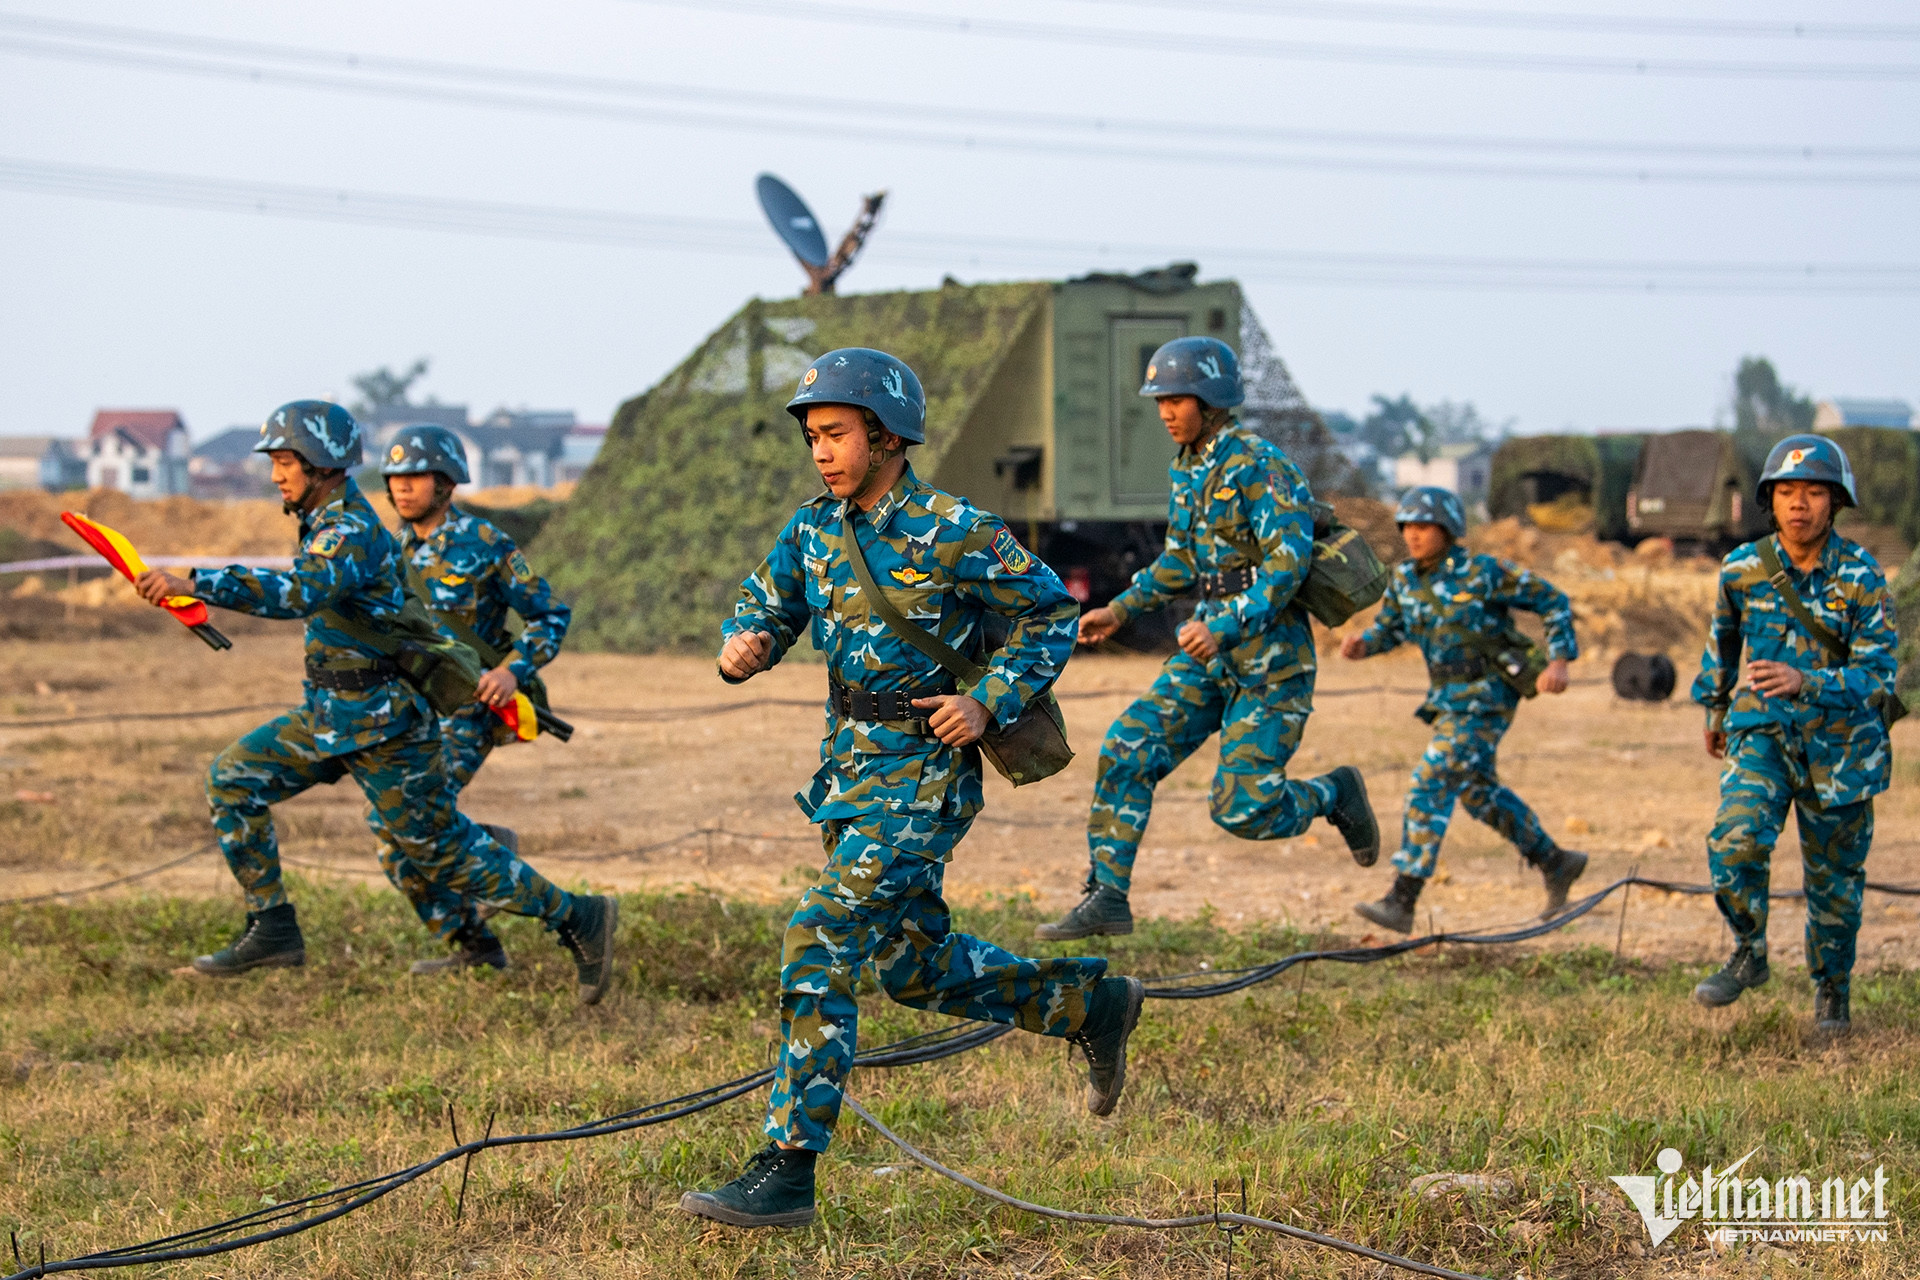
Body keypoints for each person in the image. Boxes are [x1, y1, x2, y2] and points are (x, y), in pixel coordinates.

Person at [677, 349, 1143, 1229]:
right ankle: (1089, 1004)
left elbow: (1048, 613)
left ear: (886, 435)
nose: (821, 453)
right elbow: (767, 607)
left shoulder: (954, 527)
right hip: (846, 777)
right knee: (916, 969)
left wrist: (987, 699)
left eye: (836, 435)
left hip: (922, 780)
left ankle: (787, 1169)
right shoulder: (814, 530)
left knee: (818, 935)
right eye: (813, 437)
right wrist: (742, 645)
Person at [132, 401, 618, 1002]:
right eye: (275, 462)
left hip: (387, 723)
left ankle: (576, 915)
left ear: (324, 465)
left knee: (432, 851)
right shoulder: (339, 527)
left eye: (287, 461)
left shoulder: (352, 531)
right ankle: (274, 928)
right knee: (233, 780)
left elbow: (299, 592)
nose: (277, 474)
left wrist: (196, 582)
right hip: (333, 716)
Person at [1034, 336, 1378, 944]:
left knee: (1242, 808)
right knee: (1127, 749)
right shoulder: (1190, 468)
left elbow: (1287, 564)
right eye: (1160, 400)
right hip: (1207, 658)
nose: (1164, 411)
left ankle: (1334, 793)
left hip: (1270, 663)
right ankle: (1107, 897)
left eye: (1176, 398)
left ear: (1212, 399)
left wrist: (1221, 626)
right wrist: (1118, 609)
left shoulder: (1259, 465)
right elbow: (1180, 561)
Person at [1690, 434, 1896, 1037]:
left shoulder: (1861, 576)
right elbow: (1722, 641)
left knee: (1834, 884)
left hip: (1843, 748)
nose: (1798, 504)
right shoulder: (1743, 569)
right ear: (1769, 501)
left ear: (1835, 503)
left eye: (1812, 492)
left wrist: (1806, 680)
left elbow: (1880, 674)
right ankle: (1748, 950)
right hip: (1762, 734)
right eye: (1786, 492)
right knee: (1735, 841)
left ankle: (1832, 992)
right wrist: (1713, 708)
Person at [1338, 486, 1587, 932]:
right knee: (1476, 792)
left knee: (1431, 780)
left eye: (1423, 526)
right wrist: (1364, 645)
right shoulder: (1404, 581)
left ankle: (1403, 897)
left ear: (1448, 529)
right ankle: (1555, 861)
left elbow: (1553, 600)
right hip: (1447, 702)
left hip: (1489, 697)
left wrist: (1560, 660)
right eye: (1407, 526)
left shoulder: (1483, 572)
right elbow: (1391, 629)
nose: (1413, 535)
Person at [378, 425, 573, 975]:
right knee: (389, 833)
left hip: (469, 710)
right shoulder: (388, 552)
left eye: (416, 476)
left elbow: (550, 613)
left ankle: (490, 863)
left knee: (416, 817)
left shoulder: (485, 544)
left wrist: (514, 670)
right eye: (395, 477)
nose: (402, 488)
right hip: (409, 714)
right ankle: (475, 941)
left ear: (446, 483)